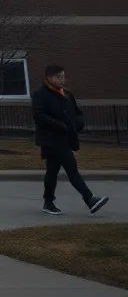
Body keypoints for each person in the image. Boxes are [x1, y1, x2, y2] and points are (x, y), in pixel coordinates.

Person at [32, 64, 110, 216]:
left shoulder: (66, 94)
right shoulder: (40, 94)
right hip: (52, 139)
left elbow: (77, 113)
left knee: (52, 171)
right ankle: (90, 200)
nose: (63, 80)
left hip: (66, 137)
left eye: (63, 77)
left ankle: (48, 202)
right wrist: (58, 124)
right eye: (59, 77)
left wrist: (79, 122)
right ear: (49, 78)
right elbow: (39, 116)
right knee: (71, 169)